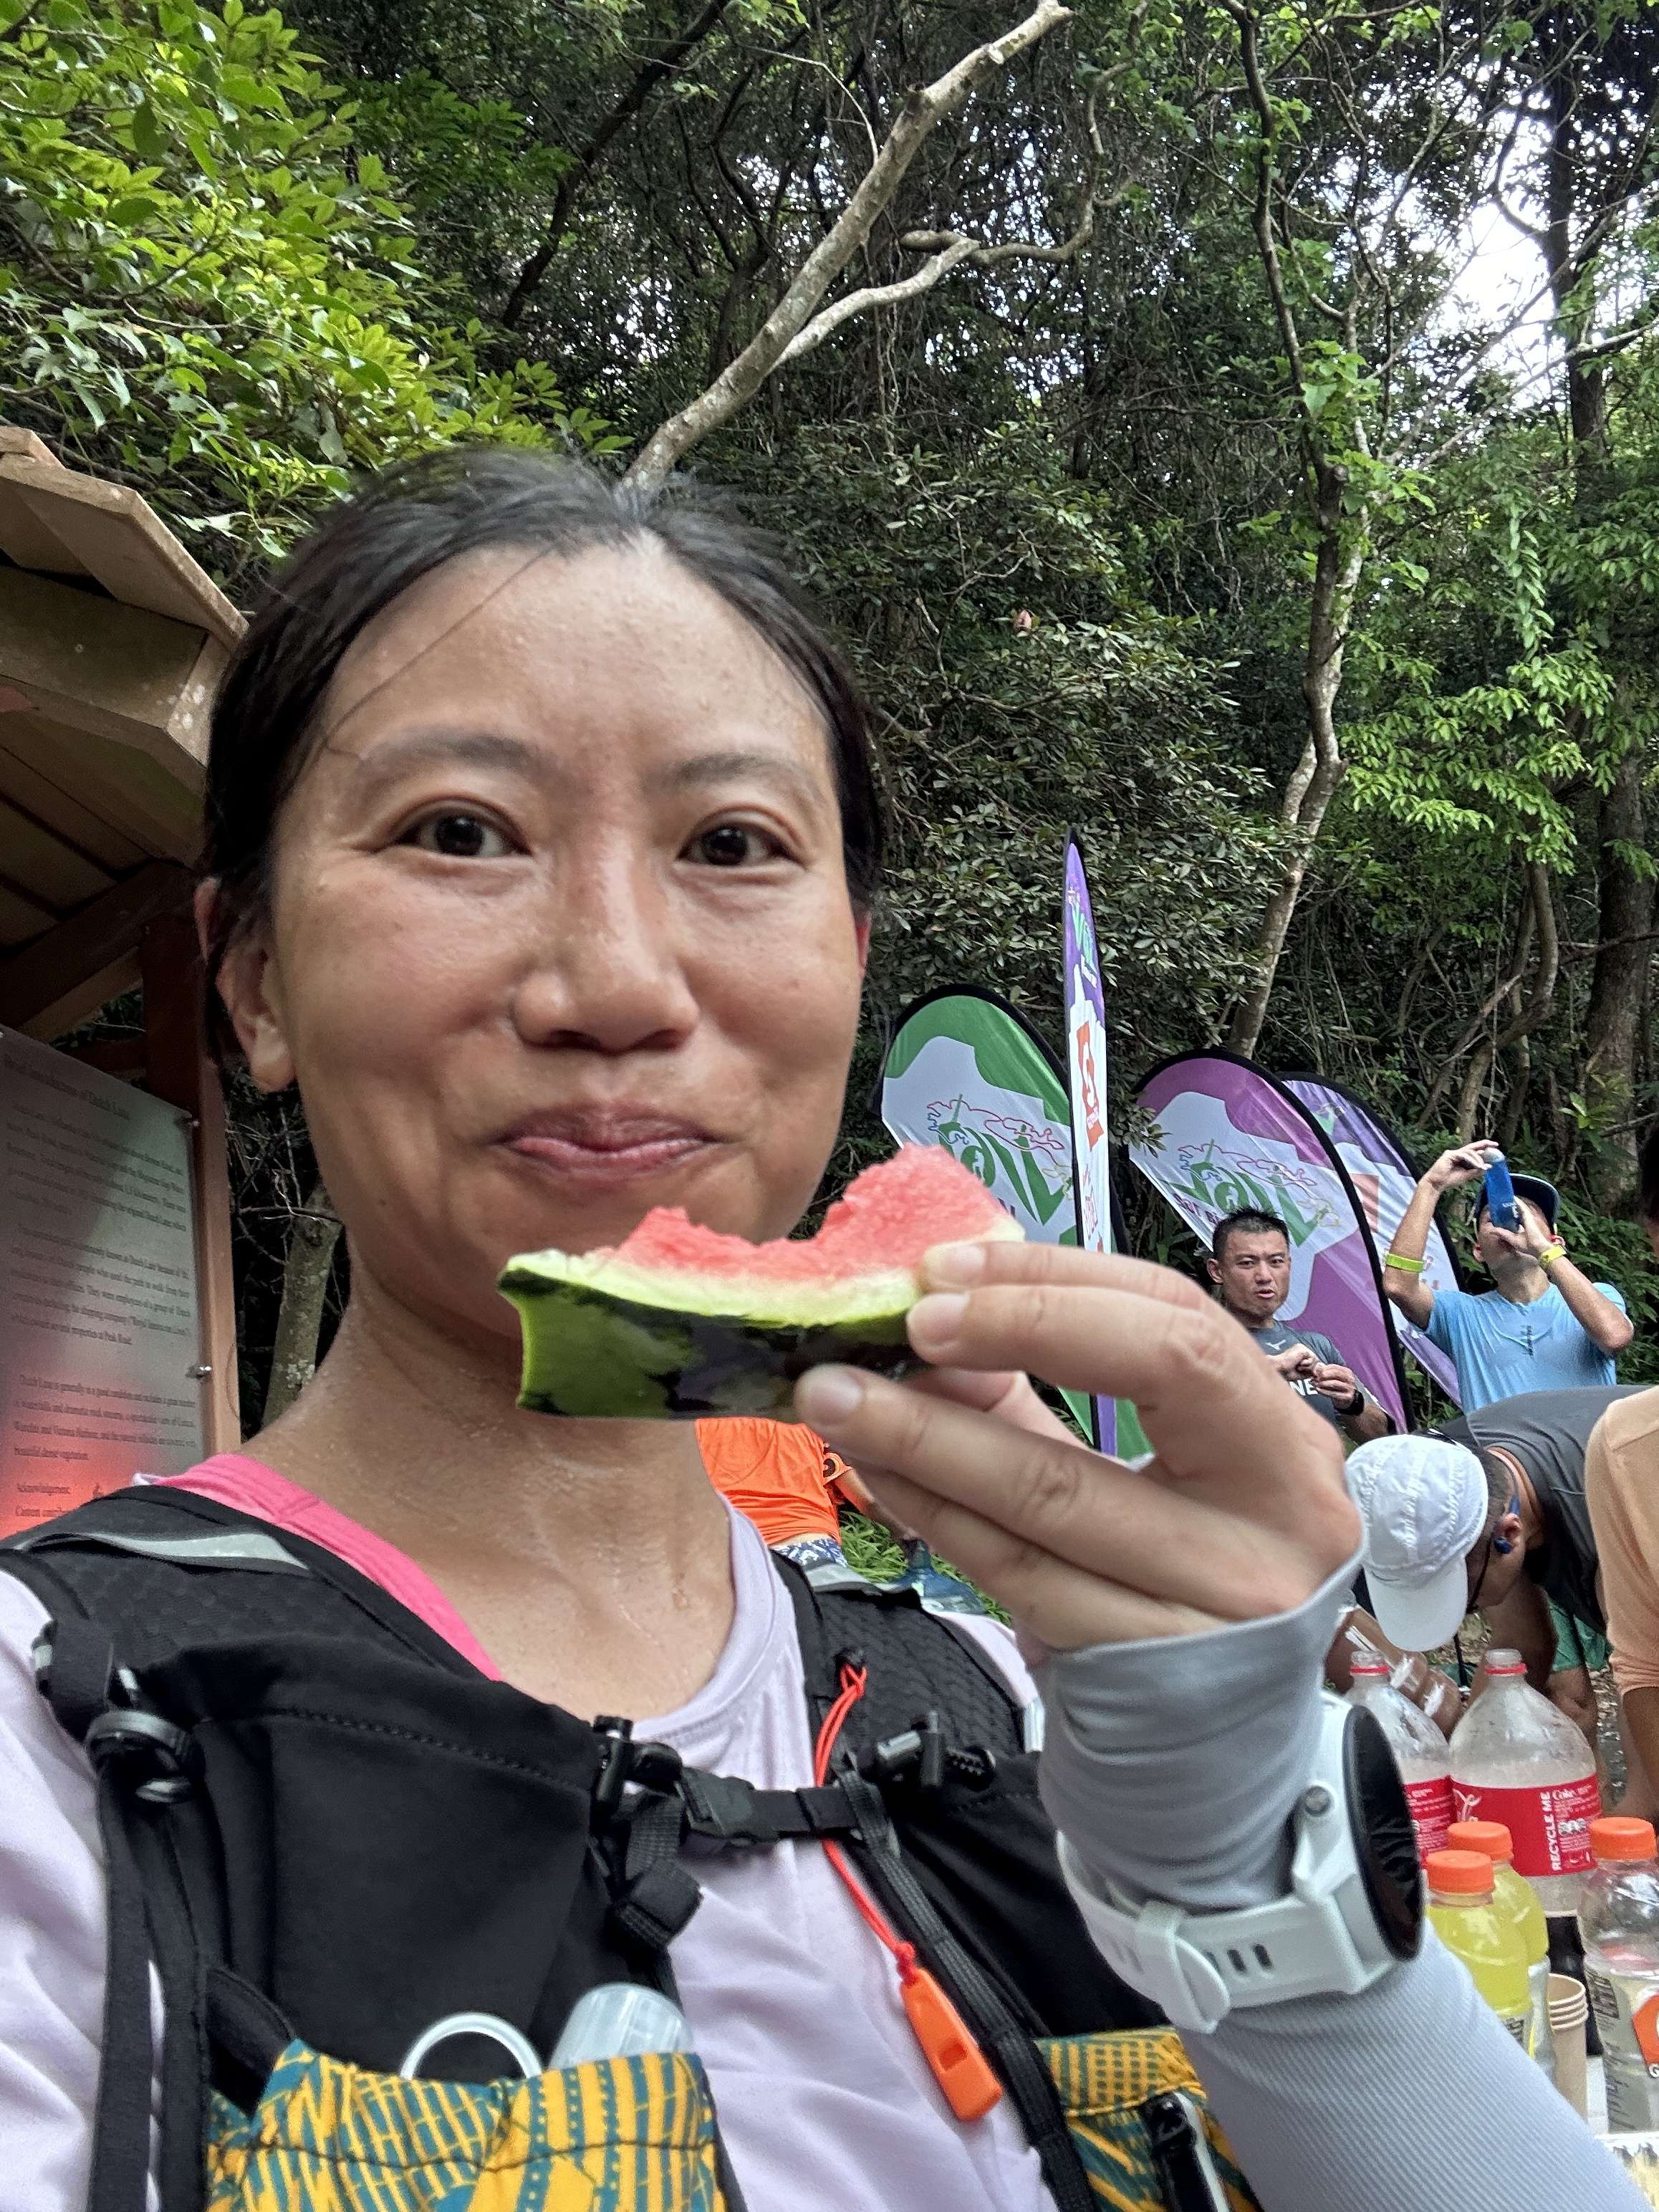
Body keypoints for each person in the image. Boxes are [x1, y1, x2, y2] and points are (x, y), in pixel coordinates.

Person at [0, 451, 1634, 2212]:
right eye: (456, 831)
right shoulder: (52, 1749)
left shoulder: (1018, 1710)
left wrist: (1250, 1877)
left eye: (731, 846)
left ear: (847, 960)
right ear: (253, 978)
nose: (618, 983)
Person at [1347, 1391, 1655, 1812]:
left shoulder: (1611, 1505)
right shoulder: (1451, 1476)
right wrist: (1465, 1778)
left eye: (1464, 1602)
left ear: (1509, 1537)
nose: (1461, 1616)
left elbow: (1645, 1677)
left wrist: (1631, 1824)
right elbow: (1520, 1645)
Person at [1383, 1140, 1632, 1406]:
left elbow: (1614, 1337)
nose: (1510, 1220)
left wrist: (1543, 1251)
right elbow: (1399, 1286)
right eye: (1492, 1216)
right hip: (1497, 1437)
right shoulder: (1460, 1315)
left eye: (1526, 1213)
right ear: (1479, 1250)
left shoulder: (1598, 1296)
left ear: (1555, 1242)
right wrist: (1431, 1186)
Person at [1207, 1208, 1392, 1441]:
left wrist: (1351, 1402)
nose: (1264, 1276)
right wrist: (1274, 1368)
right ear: (1217, 1271)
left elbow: (1381, 1438)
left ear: (1289, 1265)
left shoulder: (1315, 1345)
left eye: (1276, 1262)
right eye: (1247, 1263)